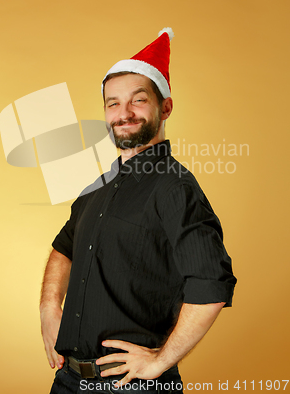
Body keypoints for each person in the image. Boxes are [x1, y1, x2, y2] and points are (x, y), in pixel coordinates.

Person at [40, 28, 237, 394]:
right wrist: (50, 306)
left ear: (165, 107)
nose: (123, 113)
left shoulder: (175, 187)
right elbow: (64, 247)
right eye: (112, 103)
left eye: (138, 100)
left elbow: (212, 284)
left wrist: (160, 361)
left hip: (133, 386)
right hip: (68, 381)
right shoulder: (98, 187)